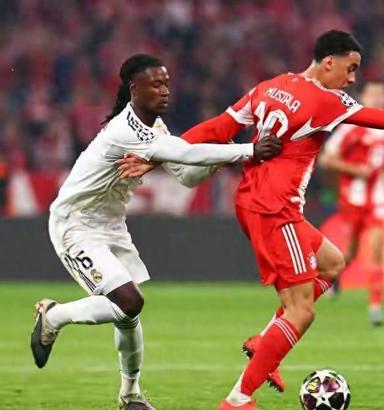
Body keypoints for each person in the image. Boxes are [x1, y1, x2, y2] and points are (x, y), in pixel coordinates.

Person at [117, 30, 384, 410]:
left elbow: (217, 128)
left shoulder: (270, 87)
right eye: (350, 68)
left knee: (332, 262)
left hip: (252, 201)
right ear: (329, 62)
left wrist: (159, 156)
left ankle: (267, 341)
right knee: (301, 311)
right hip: (276, 210)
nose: (352, 79)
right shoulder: (328, 101)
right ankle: (238, 399)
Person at [30, 54, 282, 410]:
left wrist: (223, 156)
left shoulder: (155, 129)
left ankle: (130, 394)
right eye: (156, 84)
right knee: (129, 302)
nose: (164, 91)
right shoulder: (124, 129)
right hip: (76, 224)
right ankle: (53, 316)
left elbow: (186, 174)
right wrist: (249, 150)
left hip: (111, 226)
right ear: (134, 89)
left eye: (166, 83)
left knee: (128, 313)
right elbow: (186, 153)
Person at [318, 80, 384, 326]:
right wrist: (356, 170)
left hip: (380, 200)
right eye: (372, 94)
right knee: (350, 252)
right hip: (353, 200)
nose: (377, 98)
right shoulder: (351, 127)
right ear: (363, 97)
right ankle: (333, 279)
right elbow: (326, 160)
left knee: (377, 251)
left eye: (381, 93)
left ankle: (376, 306)